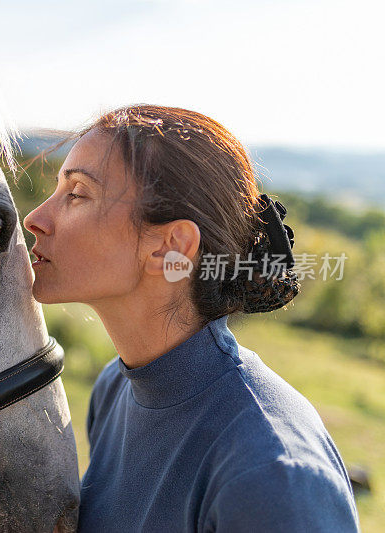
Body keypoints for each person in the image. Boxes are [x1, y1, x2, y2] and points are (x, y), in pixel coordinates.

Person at [22, 105, 359, 532]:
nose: (35, 219)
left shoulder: (271, 473)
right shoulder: (114, 390)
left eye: (77, 194)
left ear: (171, 247)